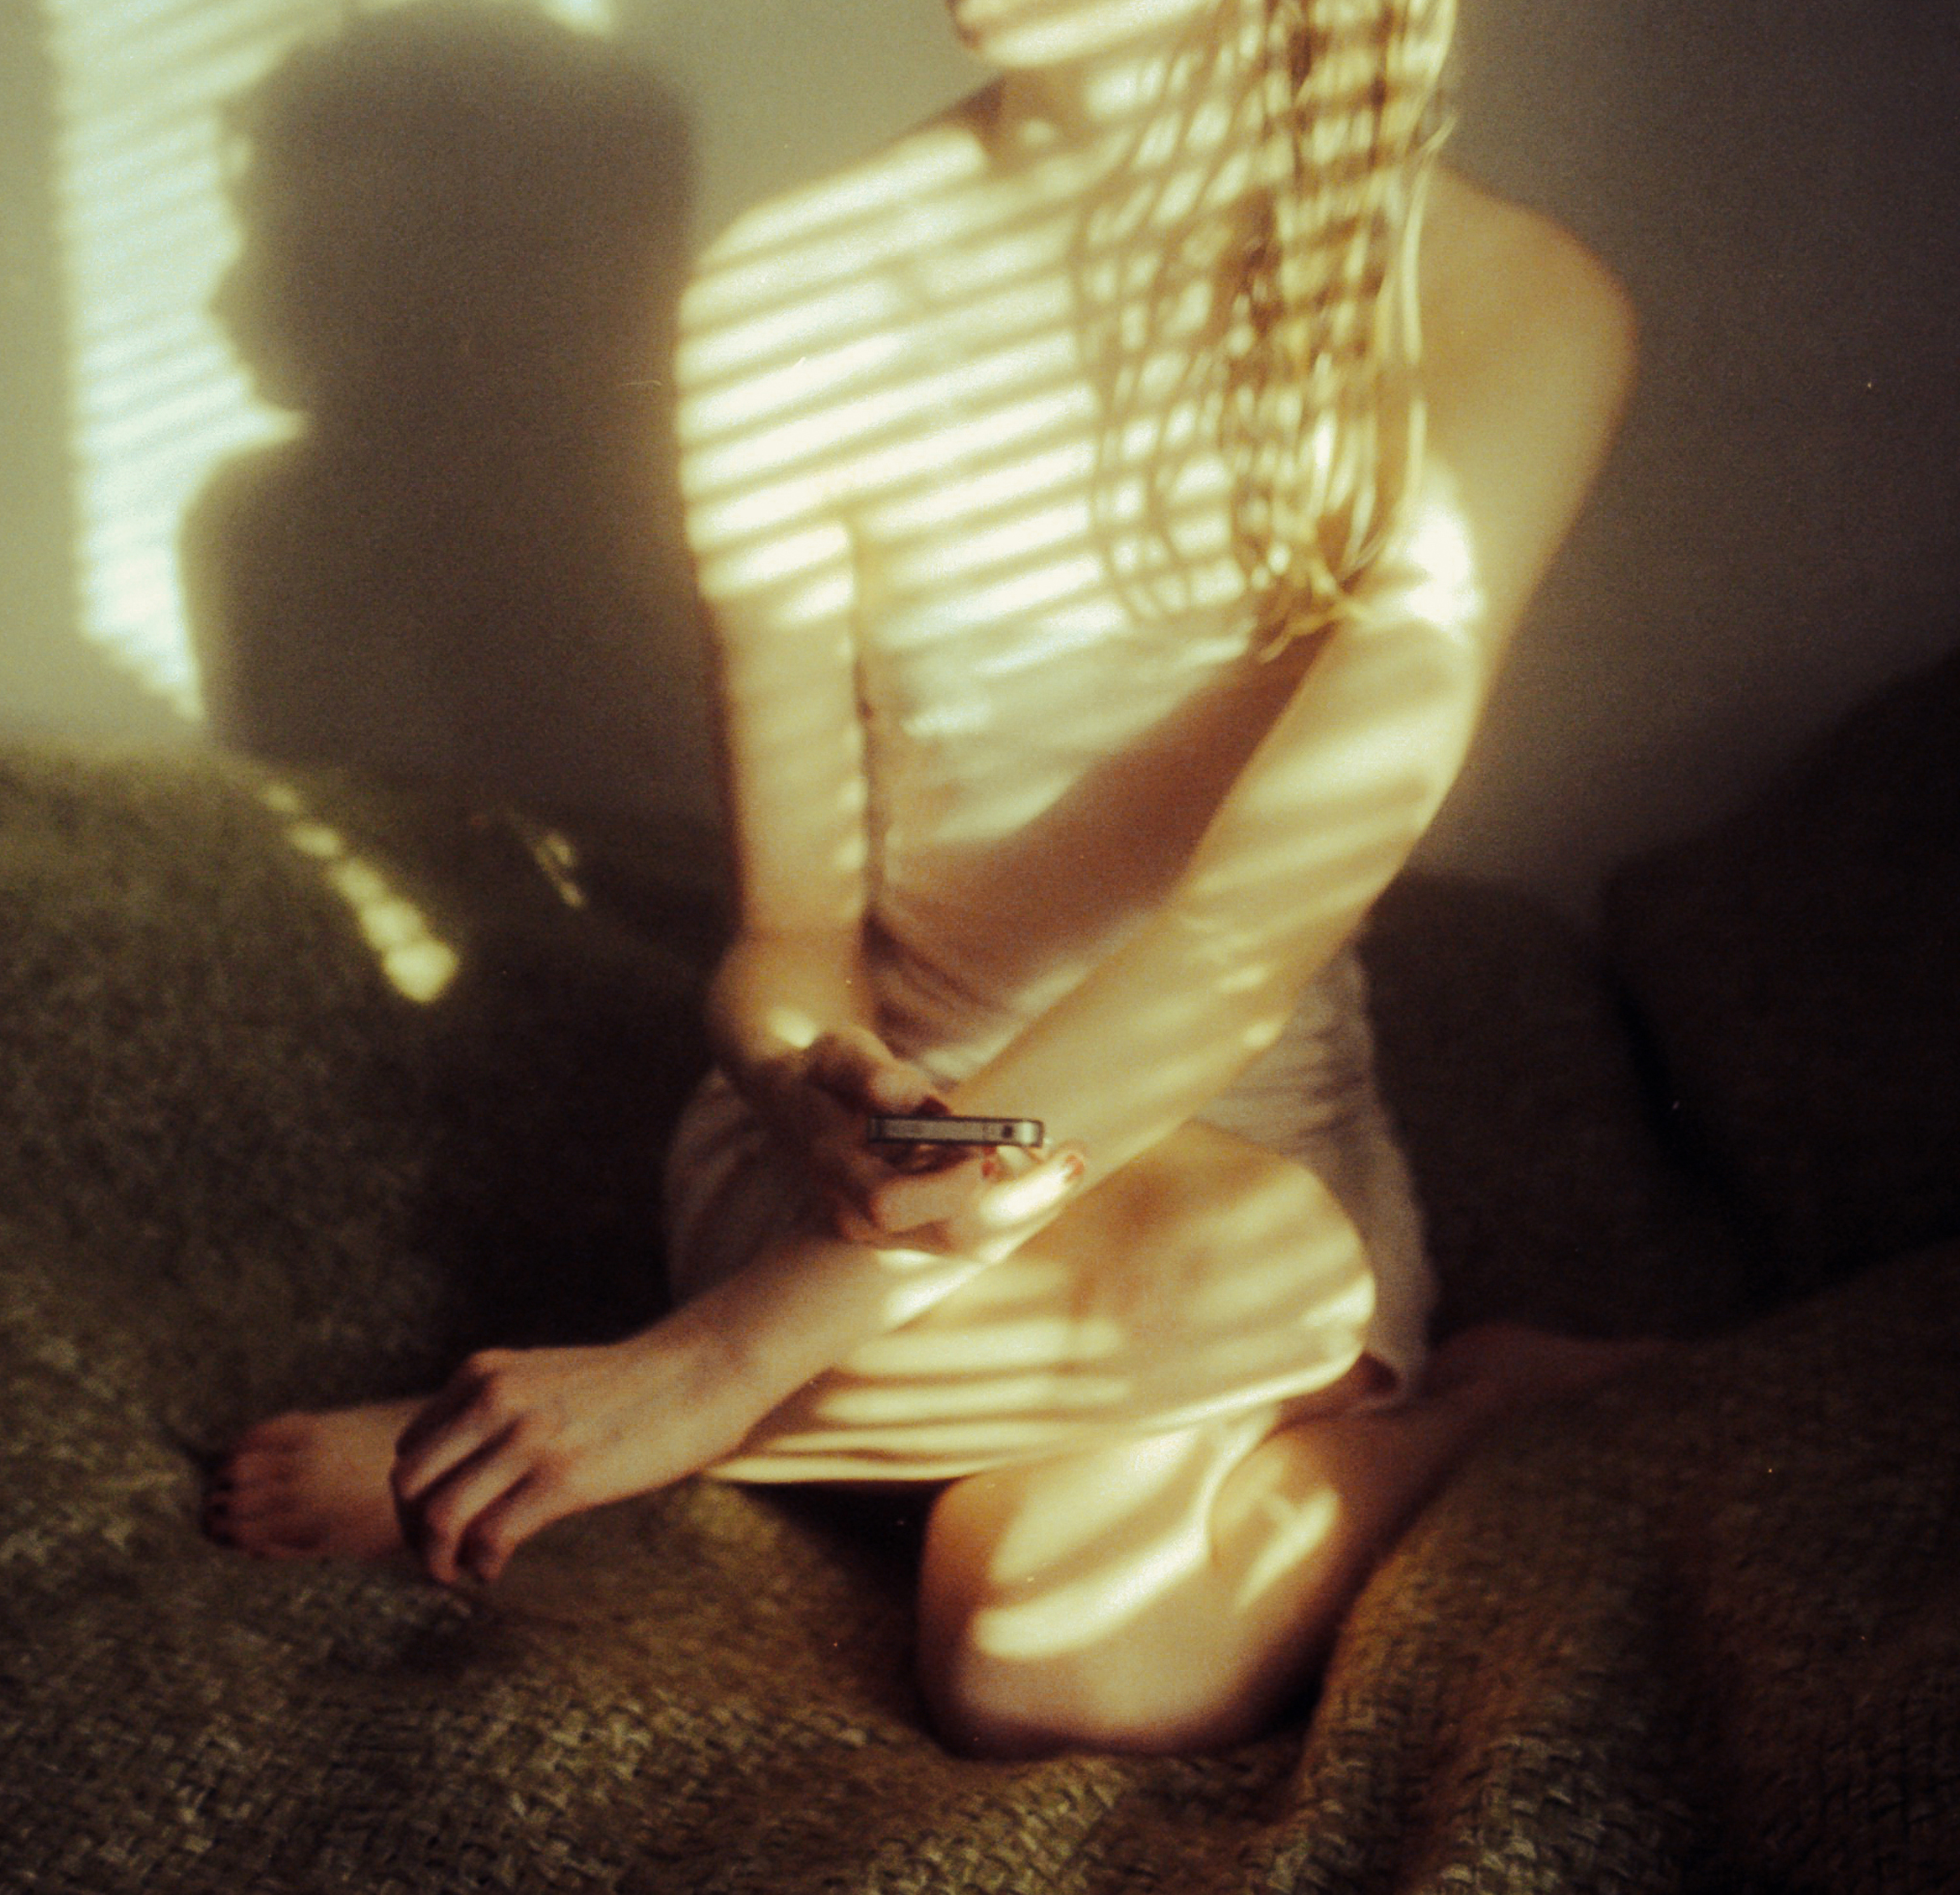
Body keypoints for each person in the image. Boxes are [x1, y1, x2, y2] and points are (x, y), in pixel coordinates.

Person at [212, 0, 1644, 1758]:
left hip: (1201, 1225)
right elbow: (789, 937)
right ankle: (656, 1408)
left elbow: (1237, 941)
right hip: (837, 1184)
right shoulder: (791, 290)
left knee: (1061, 1657)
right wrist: (793, 1074)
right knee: (1188, 1314)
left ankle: (1479, 1412)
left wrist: (702, 1368)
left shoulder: (1507, 301)